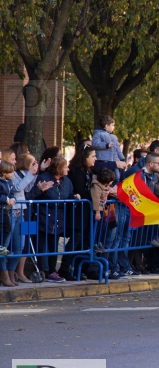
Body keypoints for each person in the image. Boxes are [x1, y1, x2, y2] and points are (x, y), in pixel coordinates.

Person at [27, 156, 78, 282]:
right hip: (44, 216)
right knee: (42, 244)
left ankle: (52, 270)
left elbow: (69, 194)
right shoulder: (44, 178)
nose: (68, 169)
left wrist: (75, 198)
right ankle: (41, 270)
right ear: (58, 168)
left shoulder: (67, 181)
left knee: (53, 245)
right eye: (65, 167)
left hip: (58, 218)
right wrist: (41, 190)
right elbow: (35, 196)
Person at [68, 145, 98, 280]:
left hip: (87, 212)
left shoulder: (89, 172)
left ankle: (83, 268)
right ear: (85, 157)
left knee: (86, 241)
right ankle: (66, 268)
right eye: (93, 156)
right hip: (78, 213)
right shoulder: (77, 173)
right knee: (76, 241)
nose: (95, 159)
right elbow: (82, 190)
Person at [12, 153, 40, 283]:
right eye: (33, 163)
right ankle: (10, 272)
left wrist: (34, 175)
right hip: (15, 211)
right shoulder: (15, 174)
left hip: (26, 211)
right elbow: (19, 188)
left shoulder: (27, 174)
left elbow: (29, 188)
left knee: (23, 244)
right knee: (12, 243)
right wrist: (31, 174)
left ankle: (17, 272)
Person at [92, 115, 126, 180]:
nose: (114, 127)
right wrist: (106, 145)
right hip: (104, 159)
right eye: (112, 125)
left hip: (113, 160)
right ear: (106, 126)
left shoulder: (113, 136)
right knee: (106, 176)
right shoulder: (98, 134)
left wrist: (122, 158)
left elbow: (117, 149)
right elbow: (95, 143)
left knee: (117, 177)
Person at [0, 161, 18, 286]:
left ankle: (2, 246)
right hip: (1, 209)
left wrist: (13, 199)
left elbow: (12, 193)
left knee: (8, 228)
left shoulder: (10, 182)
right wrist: (6, 199)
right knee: (3, 227)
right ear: (4, 173)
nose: (13, 174)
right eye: (10, 172)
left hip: (5, 210)